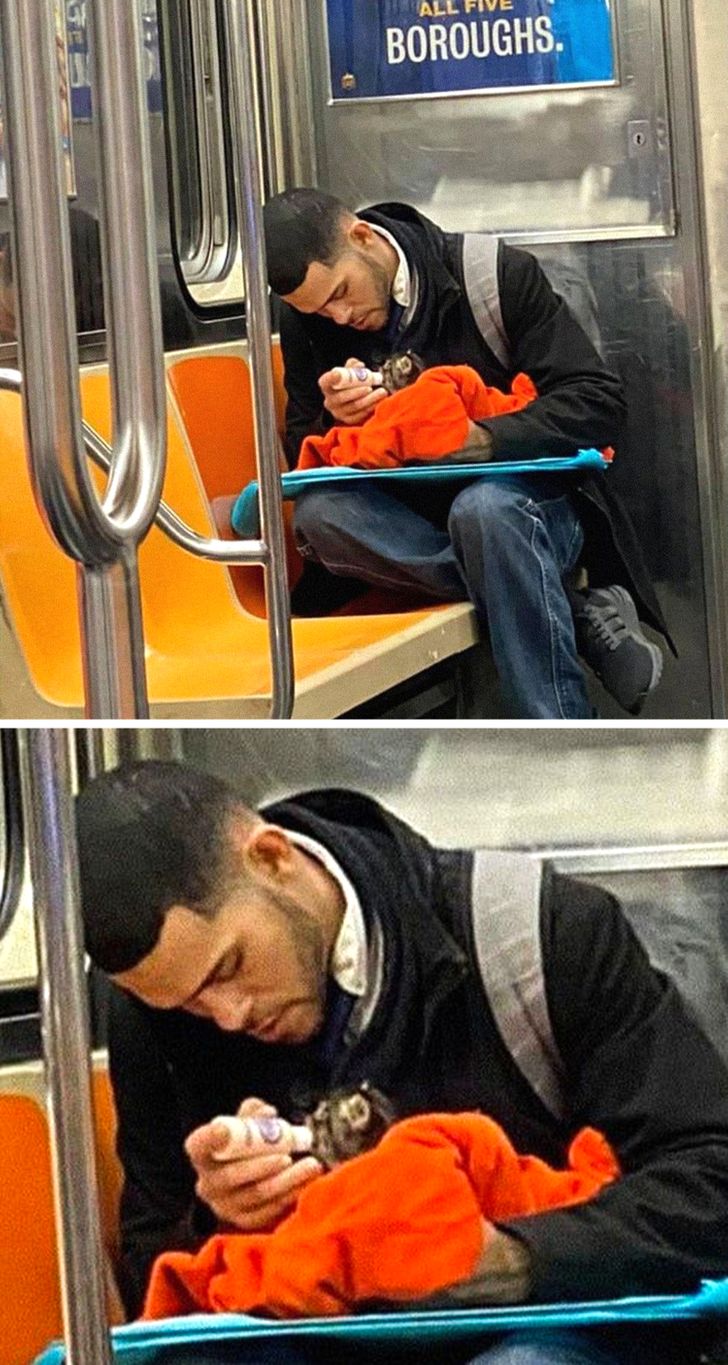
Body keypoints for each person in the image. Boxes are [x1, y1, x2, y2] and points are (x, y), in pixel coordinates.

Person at [76, 760, 728, 1365]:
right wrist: (218, 1216)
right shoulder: (153, 1020)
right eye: (189, 1003)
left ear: (273, 857)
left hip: (545, 1325)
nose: (228, 1016)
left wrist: (517, 1258)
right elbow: (153, 1271)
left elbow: (707, 1177)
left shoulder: (537, 933)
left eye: (230, 966)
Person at [262, 188, 672, 720]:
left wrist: (485, 438)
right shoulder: (308, 321)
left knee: (485, 512)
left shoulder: (492, 276)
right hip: (406, 520)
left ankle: (553, 730)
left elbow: (596, 399)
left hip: (528, 504)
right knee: (320, 518)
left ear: (361, 237)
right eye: (320, 309)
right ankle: (573, 612)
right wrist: (334, 419)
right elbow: (303, 450)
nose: (338, 318)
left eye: (341, 293)